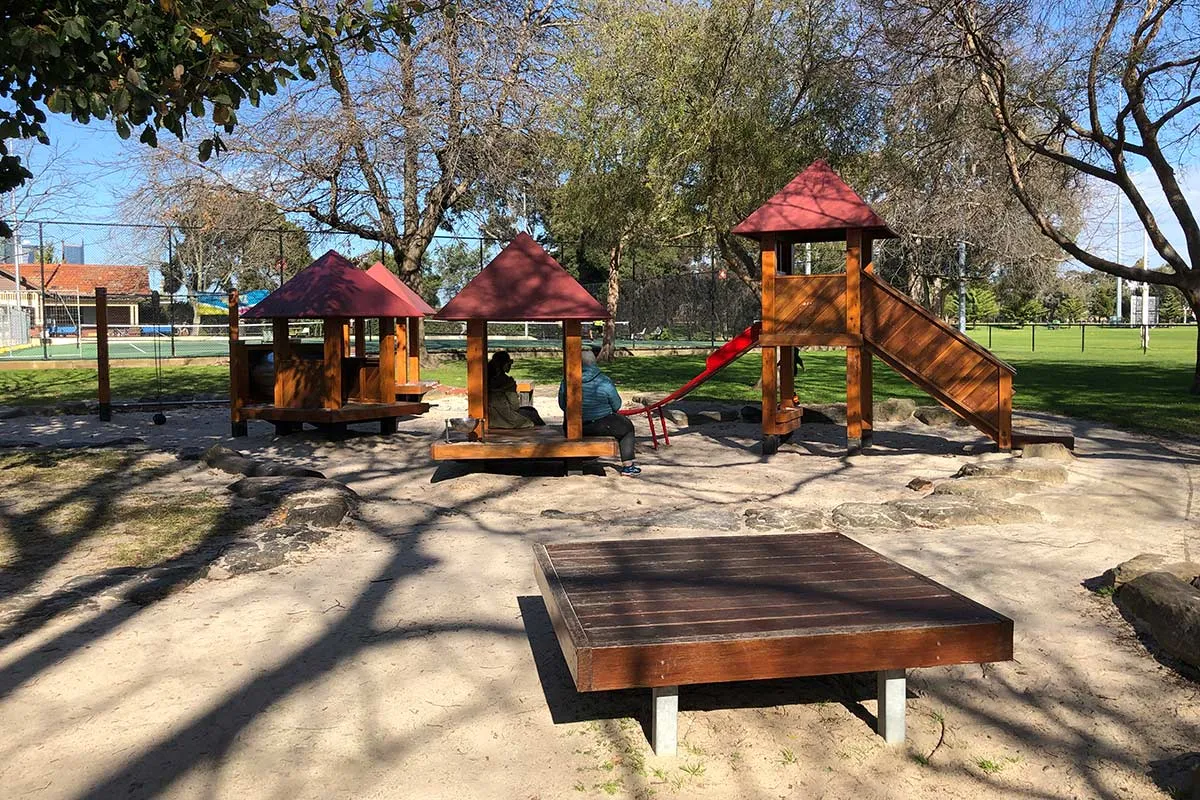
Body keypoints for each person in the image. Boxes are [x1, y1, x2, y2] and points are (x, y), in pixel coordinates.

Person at [558, 348, 640, 476]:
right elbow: (616, 405)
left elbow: (563, 405)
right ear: (594, 362)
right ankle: (628, 466)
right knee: (627, 427)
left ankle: (585, 458)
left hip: (573, 426)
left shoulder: (567, 381)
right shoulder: (604, 380)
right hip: (601, 424)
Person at [487, 351, 545, 429]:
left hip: (489, 419)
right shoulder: (507, 382)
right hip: (506, 420)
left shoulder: (484, 379)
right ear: (504, 364)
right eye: (509, 363)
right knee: (532, 413)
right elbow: (514, 406)